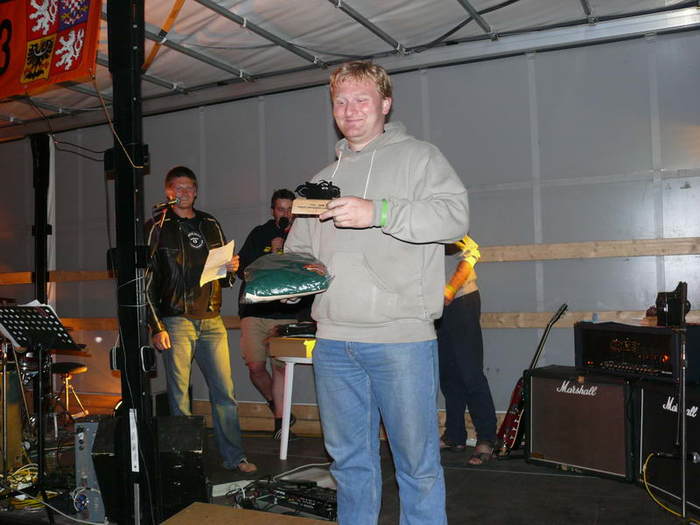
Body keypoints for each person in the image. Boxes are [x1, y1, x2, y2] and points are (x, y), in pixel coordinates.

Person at [285, 61, 469, 525]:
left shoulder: (420, 158)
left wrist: (380, 212)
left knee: (417, 466)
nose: (350, 110)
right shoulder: (321, 177)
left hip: (400, 339)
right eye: (340, 101)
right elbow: (299, 251)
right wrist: (287, 281)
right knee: (349, 464)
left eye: (361, 99)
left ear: (385, 103)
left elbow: (454, 219)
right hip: (332, 341)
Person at [145, 165, 256, 473]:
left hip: (211, 319)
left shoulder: (209, 223)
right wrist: (156, 326)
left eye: (189, 188)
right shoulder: (156, 227)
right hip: (176, 319)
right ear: (168, 191)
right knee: (180, 396)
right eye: (178, 188)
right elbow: (146, 281)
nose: (184, 193)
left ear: (196, 192)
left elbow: (225, 278)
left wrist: (231, 268)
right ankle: (185, 462)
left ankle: (235, 457)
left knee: (225, 393)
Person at [237, 189, 309, 439]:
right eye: (281, 209)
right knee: (255, 366)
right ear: (272, 211)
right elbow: (242, 269)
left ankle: (281, 423)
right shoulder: (260, 233)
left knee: (280, 369)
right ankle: (275, 404)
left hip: (286, 313)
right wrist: (270, 254)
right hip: (254, 310)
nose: (285, 214)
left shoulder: (302, 236)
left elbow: (307, 274)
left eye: (290, 209)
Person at [437, 238, 497, 465]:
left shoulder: (447, 224)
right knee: (448, 373)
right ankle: (454, 436)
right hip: (435, 305)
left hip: (461, 300)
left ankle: (487, 439)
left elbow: (472, 252)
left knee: (469, 372)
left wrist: (450, 289)